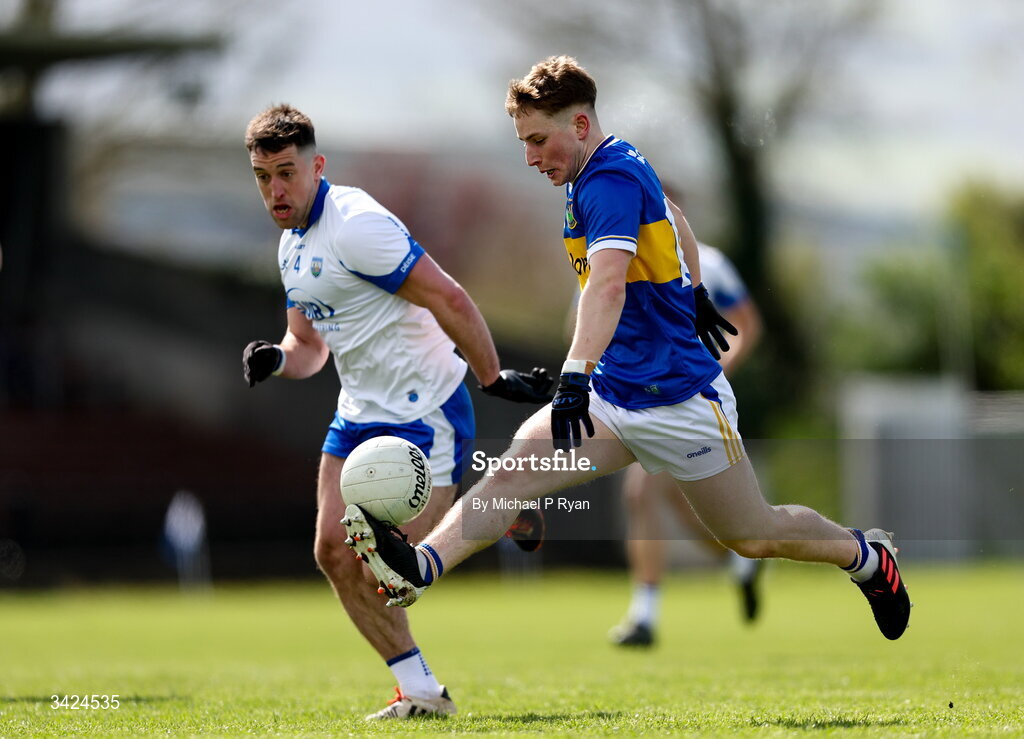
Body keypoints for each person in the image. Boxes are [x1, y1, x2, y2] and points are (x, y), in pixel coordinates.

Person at [341, 57, 911, 657]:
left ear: (581, 125)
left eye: (538, 139)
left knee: (754, 534)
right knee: (513, 474)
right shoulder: (607, 165)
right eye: (523, 142)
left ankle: (867, 558)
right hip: (615, 399)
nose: (530, 157)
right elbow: (677, 216)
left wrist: (571, 378)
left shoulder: (606, 183)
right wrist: (692, 289)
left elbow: (607, 286)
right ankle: (420, 566)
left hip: (681, 401)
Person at [241, 104, 552, 720]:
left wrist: (491, 377)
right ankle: (421, 693)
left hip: (424, 409)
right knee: (333, 553)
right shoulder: (290, 247)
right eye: (262, 176)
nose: (276, 190)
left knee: (397, 575)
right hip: (356, 415)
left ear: (316, 165)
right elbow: (309, 346)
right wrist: (276, 358)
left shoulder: (357, 226)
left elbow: (448, 296)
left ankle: (503, 507)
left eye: (286, 172)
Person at [610, 239, 764, 647]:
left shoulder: (709, 262)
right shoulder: (607, 255)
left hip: (690, 399)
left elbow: (748, 322)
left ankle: (644, 616)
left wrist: (718, 369)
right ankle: (737, 563)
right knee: (670, 498)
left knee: (644, 492)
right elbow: (581, 319)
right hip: (636, 399)